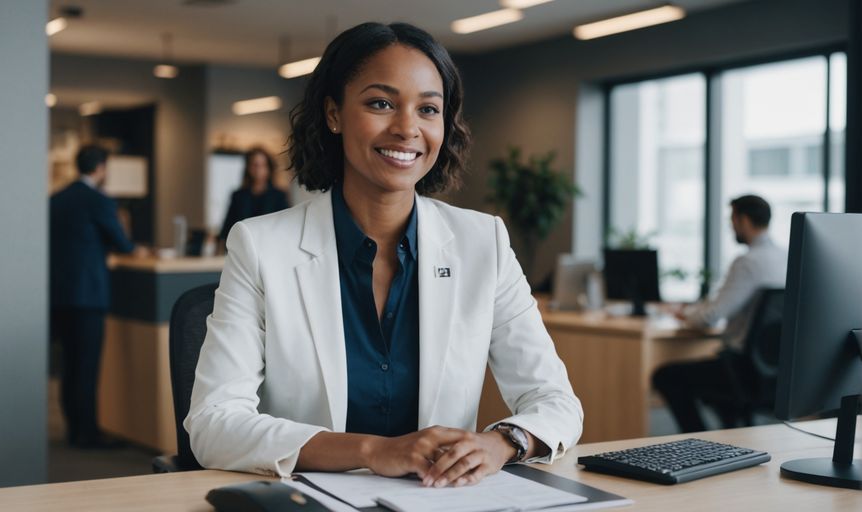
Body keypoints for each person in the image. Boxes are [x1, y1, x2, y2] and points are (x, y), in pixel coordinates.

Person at [185, 22, 582, 487]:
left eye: (428, 109)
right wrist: (373, 451)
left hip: (439, 499)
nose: (407, 128)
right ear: (333, 113)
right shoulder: (260, 246)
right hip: (310, 500)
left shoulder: (483, 243)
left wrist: (503, 442)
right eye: (381, 103)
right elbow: (213, 422)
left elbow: (555, 401)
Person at [653, 194, 787, 433]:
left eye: (732, 220)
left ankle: (699, 439)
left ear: (744, 220)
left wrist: (684, 314)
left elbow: (710, 316)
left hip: (742, 369)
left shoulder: (747, 262)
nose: (731, 226)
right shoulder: (786, 257)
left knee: (666, 376)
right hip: (775, 370)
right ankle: (729, 432)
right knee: (711, 379)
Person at [50, 145, 143, 448]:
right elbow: (122, 244)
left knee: (69, 365)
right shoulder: (99, 200)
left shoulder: (56, 199)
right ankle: (88, 434)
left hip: (59, 294)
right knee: (87, 366)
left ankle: (73, 429)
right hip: (88, 294)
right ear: (101, 167)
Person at [217, 147, 290, 245]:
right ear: (248, 167)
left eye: (262, 165)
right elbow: (227, 227)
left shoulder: (278, 196)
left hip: (269, 247)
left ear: (269, 168)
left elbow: (285, 227)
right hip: (242, 246)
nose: (258, 170)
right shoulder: (238, 196)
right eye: (254, 165)